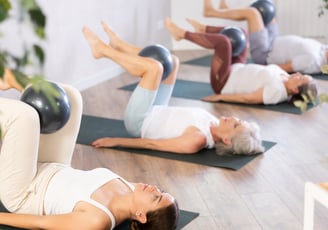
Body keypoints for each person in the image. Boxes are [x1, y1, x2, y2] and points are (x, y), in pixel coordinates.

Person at [0, 69, 179, 230]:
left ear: (141, 215)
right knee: (72, 97)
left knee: (25, 116)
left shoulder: (97, 221)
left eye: (156, 198)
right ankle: (12, 79)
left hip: (25, 191)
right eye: (161, 191)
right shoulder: (130, 188)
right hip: (53, 165)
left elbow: (40, 223)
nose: (155, 189)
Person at [83, 21, 264, 156]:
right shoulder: (214, 123)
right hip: (157, 109)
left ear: (226, 140)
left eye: (235, 124)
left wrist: (115, 142)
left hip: (140, 122)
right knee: (173, 61)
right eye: (238, 120)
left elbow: (152, 145)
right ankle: (121, 46)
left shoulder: (197, 140)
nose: (233, 118)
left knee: (155, 68)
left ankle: (103, 51)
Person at [165, 17, 318, 105]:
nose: (298, 73)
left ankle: (182, 34)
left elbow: (249, 98)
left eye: (301, 78)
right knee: (242, 34)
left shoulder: (277, 92)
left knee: (224, 43)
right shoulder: (284, 76)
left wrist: (220, 97)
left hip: (224, 82)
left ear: (296, 90)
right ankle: (204, 29)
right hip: (237, 67)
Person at [203, 0, 328, 74]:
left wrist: (256, 70)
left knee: (253, 13)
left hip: (266, 52)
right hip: (275, 39)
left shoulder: (312, 60)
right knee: (268, 9)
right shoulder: (323, 49)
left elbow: (285, 68)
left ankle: (211, 12)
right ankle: (227, 11)